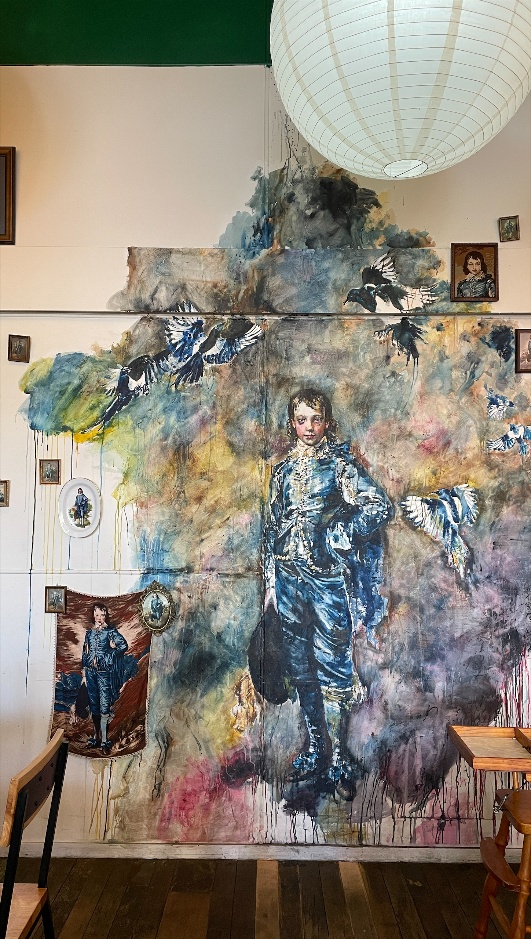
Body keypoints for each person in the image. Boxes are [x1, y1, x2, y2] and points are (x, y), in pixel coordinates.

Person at [265, 388, 393, 799]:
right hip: (288, 580)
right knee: (299, 666)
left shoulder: (339, 466)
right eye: (301, 420)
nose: (309, 427)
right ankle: (316, 749)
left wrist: (340, 534)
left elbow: (379, 507)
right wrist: (271, 585)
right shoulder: (281, 472)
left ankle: (338, 757)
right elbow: (272, 527)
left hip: (326, 582)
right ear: (292, 424)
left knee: (334, 665)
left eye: (316, 419)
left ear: (327, 423)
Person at [82, 602, 128, 752]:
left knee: (104, 706)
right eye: (97, 614)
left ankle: (104, 741)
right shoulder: (89, 633)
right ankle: (96, 737)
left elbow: (123, 645)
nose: (99, 618)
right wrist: (84, 672)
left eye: (102, 615)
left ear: (106, 616)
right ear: (93, 615)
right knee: (94, 705)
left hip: (104, 674)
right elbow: (85, 652)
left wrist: (109, 656)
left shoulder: (110, 631)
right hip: (90, 673)